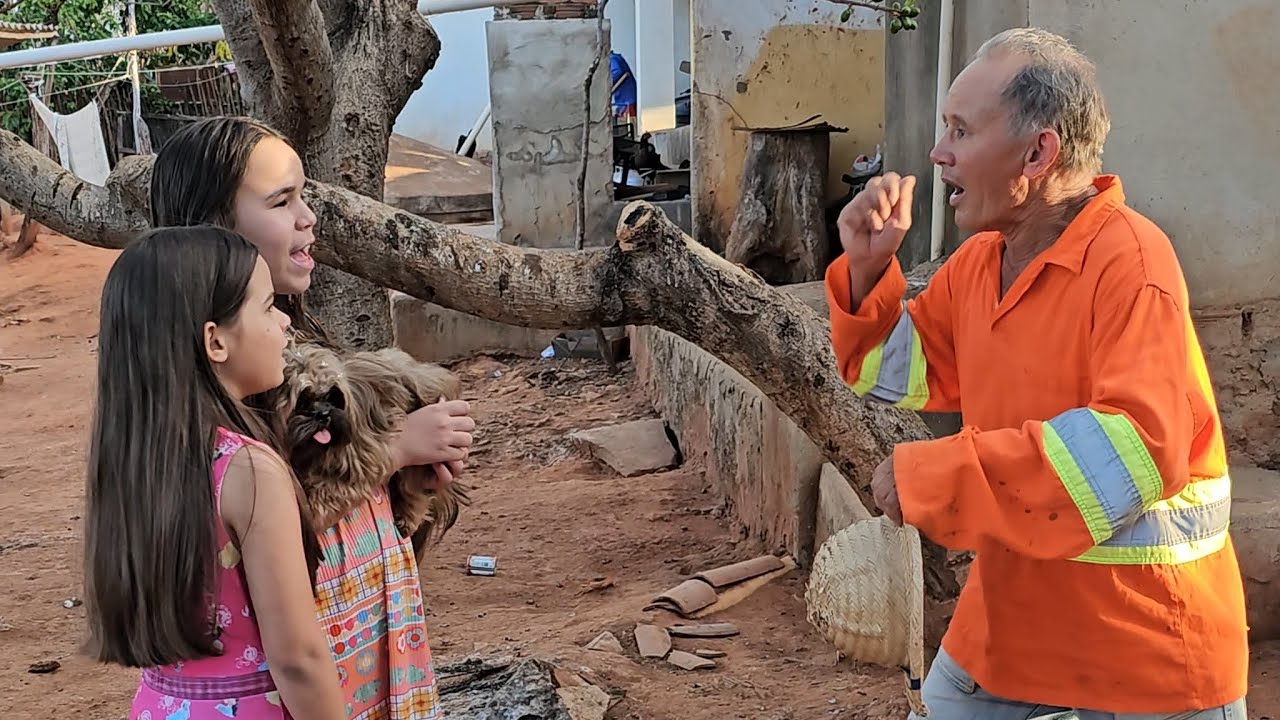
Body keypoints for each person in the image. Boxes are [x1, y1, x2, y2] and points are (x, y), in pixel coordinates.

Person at [826, 28, 1248, 719]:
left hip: (1144, 654)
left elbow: (1128, 454)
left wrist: (936, 477)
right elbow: (892, 369)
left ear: (1038, 152)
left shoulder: (1133, 265)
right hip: (1013, 629)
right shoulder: (979, 264)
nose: (938, 153)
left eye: (961, 130)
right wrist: (869, 270)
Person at [150, 116, 475, 719]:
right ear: (215, 228)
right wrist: (397, 449)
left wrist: (410, 484)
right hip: (301, 681)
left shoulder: (284, 344)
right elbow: (284, 515)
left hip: (356, 645)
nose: (308, 217)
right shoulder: (232, 386)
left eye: (305, 196)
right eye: (281, 201)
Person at [84, 226, 345, 719]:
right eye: (268, 307)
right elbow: (298, 659)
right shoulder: (249, 469)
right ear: (215, 341)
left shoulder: (133, 458)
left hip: (160, 706)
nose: (285, 323)